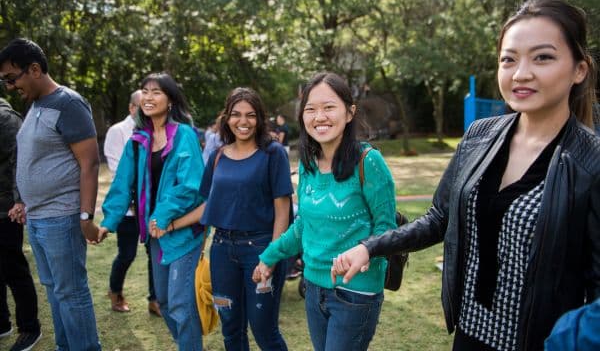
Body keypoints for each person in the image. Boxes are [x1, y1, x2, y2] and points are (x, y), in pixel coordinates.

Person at [333, 0, 600, 351]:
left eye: (543, 57)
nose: (521, 73)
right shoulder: (479, 136)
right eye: (509, 59)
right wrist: (371, 247)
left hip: (543, 342)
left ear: (579, 70)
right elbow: (439, 218)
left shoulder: (591, 163)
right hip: (470, 334)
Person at [253, 72, 397, 351]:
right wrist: (270, 256)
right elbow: (302, 226)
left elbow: (387, 230)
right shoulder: (308, 166)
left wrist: (365, 251)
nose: (319, 117)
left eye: (329, 107)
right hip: (313, 287)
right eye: (311, 109)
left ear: (350, 112)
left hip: (355, 291)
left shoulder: (370, 162)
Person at [0, 38, 102, 351]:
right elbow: (34, 160)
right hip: (38, 218)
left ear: (34, 69)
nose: (8, 87)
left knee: (71, 292)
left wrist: (85, 216)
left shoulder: (68, 103)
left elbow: (89, 162)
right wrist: (23, 201)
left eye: (11, 78)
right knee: (55, 290)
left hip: (62, 216)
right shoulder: (35, 105)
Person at [172, 87, 293, 350]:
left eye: (250, 115)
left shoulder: (273, 153)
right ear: (227, 118)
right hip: (222, 250)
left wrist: (271, 256)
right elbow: (207, 208)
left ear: (260, 119)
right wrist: (175, 227)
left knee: (264, 331)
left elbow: (283, 210)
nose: (243, 121)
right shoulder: (217, 157)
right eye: (236, 114)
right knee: (231, 331)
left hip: (261, 249)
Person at [99, 72, 204, 351]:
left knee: (181, 303)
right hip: (156, 235)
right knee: (165, 301)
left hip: (184, 231)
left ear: (170, 100)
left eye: (156, 91)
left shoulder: (184, 135)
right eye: (145, 91)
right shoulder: (138, 140)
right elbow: (122, 183)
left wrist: (163, 214)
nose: (148, 96)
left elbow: (190, 185)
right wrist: (108, 222)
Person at [103, 89, 161, 316]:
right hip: (129, 210)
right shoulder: (117, 131)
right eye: (141, 105)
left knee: (153, 253)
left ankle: (155, 299)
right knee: (126, 254)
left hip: (150, 208)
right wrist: (138, 197)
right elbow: (120, 171)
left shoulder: (153, 131)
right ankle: (115, 292)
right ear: (131, 107)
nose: (146, 109)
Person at [0, 96, 42, 351]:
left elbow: (21, 164)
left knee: (13, 268)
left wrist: (19, 201)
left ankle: (29, 328)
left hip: (6, 209)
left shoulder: (6, 119)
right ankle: (2, 323)